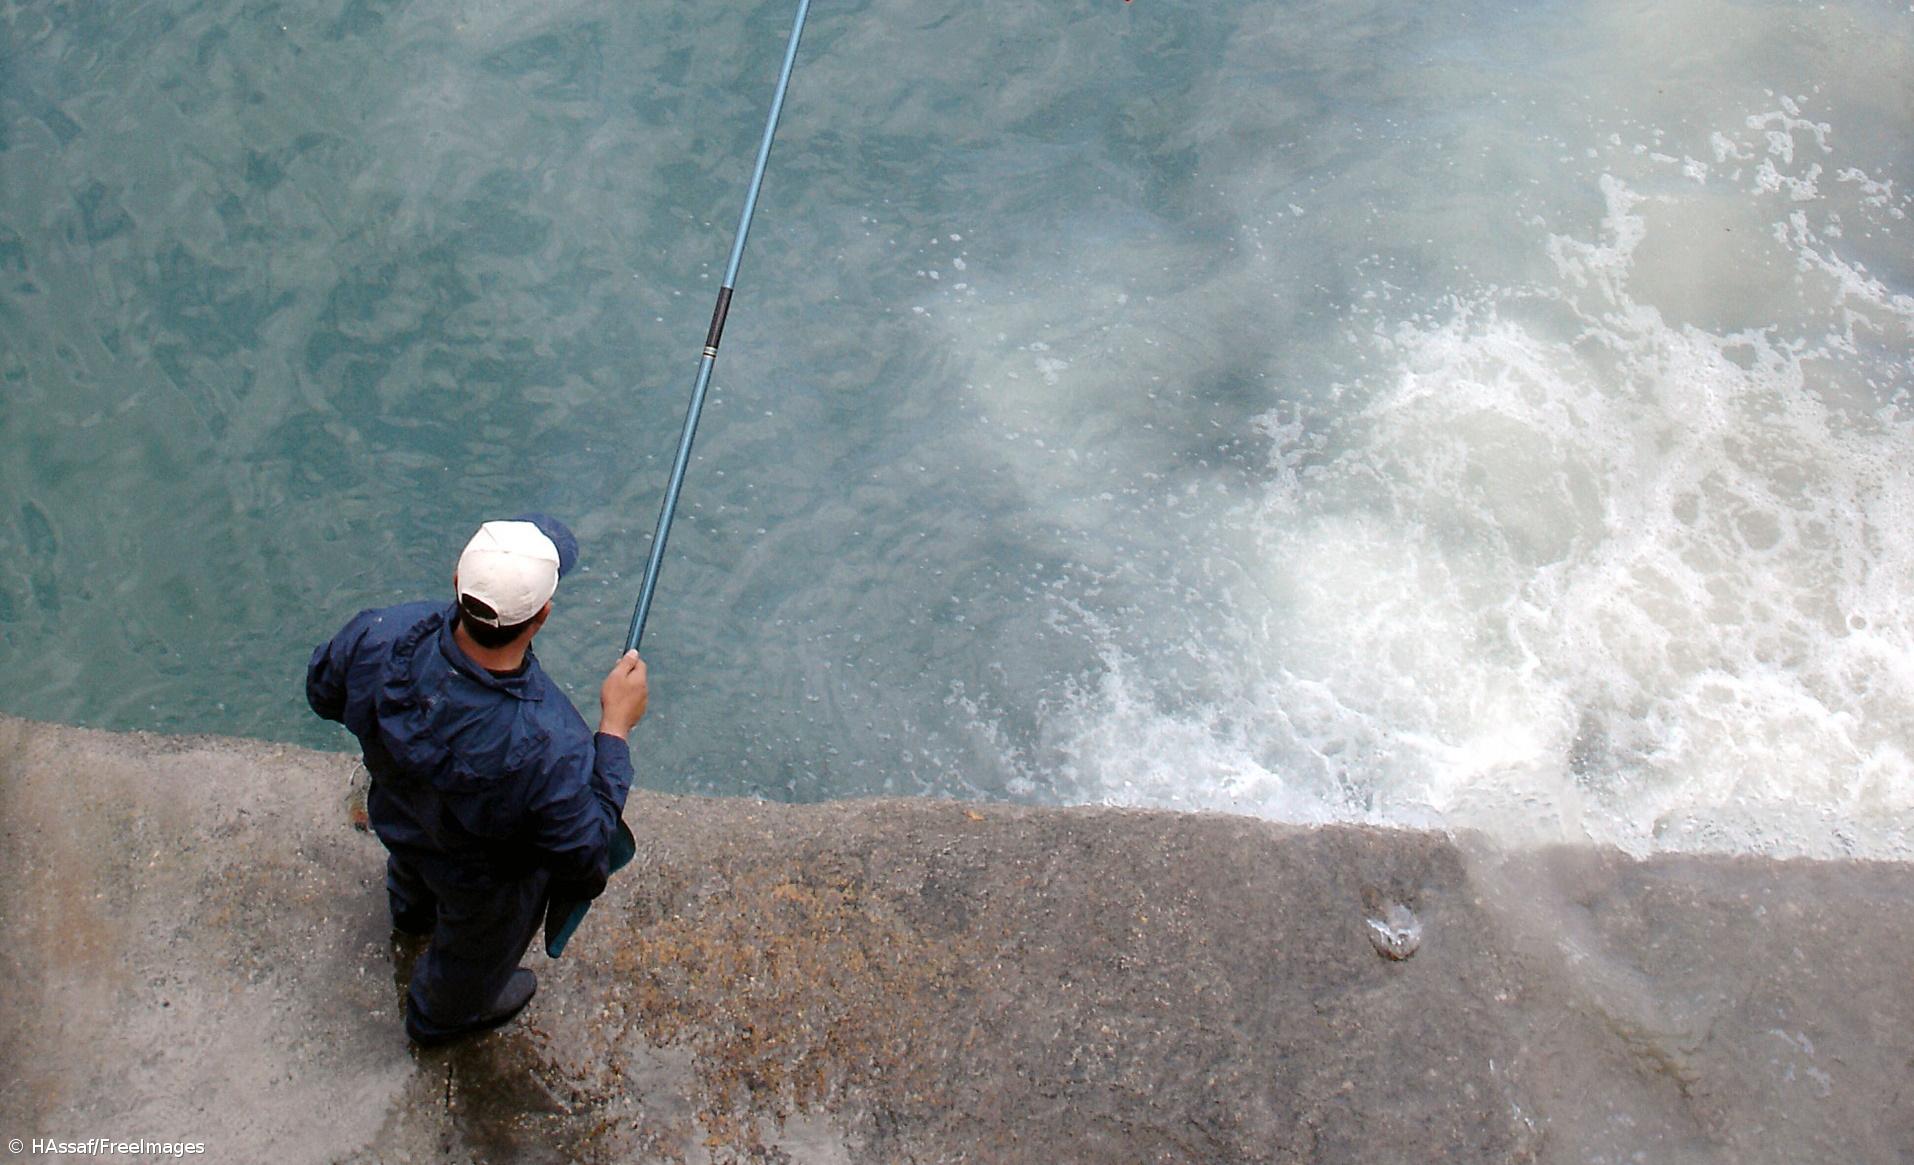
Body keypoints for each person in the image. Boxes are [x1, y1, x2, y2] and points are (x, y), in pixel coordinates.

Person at [305, 514, 650, 1045]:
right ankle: (438, 1019)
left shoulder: (380, 632)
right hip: (485, 882)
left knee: (413, 869)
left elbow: (323, 692)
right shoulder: (550, 744)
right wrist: (615, 729)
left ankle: (410, 915)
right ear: (543, 616)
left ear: (457, 582)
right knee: (474, 953)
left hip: (401, 817)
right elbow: (585, 852)